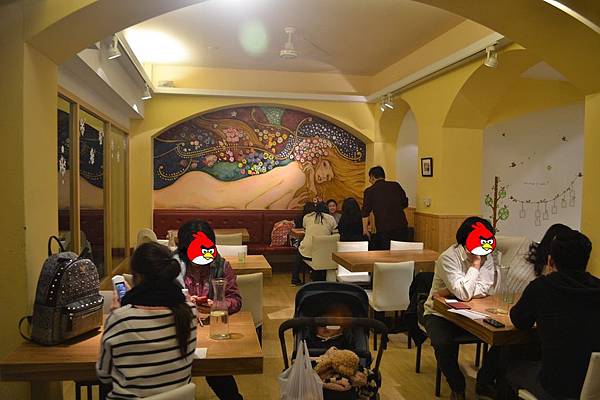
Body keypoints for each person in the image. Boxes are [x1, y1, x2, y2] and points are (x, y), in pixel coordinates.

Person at [507, 229, 600, 399]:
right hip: (595, 386)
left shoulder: (542, 287)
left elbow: (519, 320)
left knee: (510, 365)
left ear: (550, 260)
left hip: (555, 387)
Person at [97, 242, 196, 398]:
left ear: (137, 277)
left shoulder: (120, 319)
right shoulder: (190, 311)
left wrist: (119, 312)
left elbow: (104, 375)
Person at [423, 217, 500, 400]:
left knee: (502, 338)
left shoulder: (487, 256)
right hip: (439, 313)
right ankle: (457, 385)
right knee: (442, 343)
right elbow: (464, 293)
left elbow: (485, 288)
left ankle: (484, 381)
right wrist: (475, 265)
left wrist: (451, 291)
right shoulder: (448, 257)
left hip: (472, 313)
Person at [174, 219, 244, 400]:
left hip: (212, 332)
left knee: (217, 371)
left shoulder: (221, 266)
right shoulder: (172, 267)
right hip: (178, 332)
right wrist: (183, 302)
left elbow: (236, 300)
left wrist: (217, 304)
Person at [361, 166, 409, 250]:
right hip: (402, 226)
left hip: (384, 229)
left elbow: (365, 212)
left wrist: (365, 230)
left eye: (370, 178)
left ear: (372, 177)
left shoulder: (369, 191)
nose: (369, 181)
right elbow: (405, 203)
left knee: (386, 254)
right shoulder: (396, 185)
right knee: (401, 253)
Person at [292, 201, 338, 285]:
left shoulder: (307, 217)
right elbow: (335, 235)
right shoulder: (331, 218)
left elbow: (306, 230)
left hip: (307, 254)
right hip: (324, 255)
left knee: (300, 250)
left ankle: (295, 278)